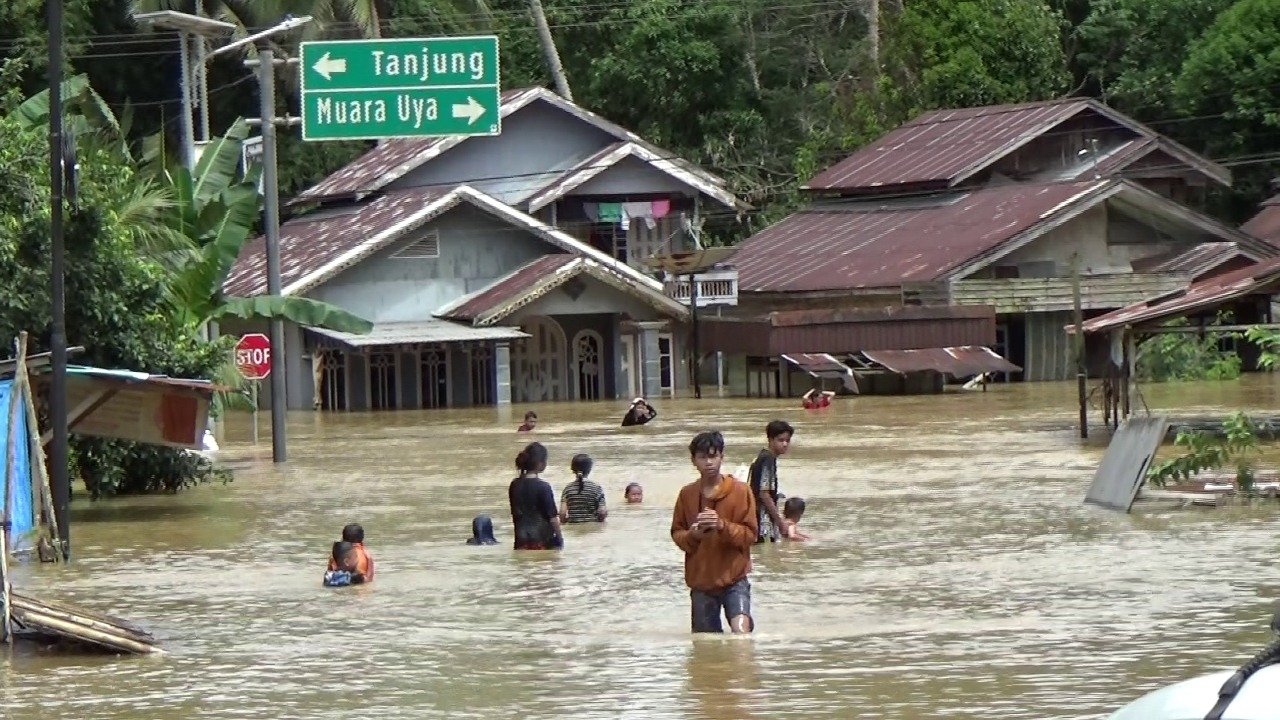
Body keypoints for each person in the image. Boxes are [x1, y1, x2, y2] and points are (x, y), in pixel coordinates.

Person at [670, 430, 758, 634]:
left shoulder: (741, 490)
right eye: (703, 457)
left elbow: (750, 536)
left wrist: (721, 525)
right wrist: (694, 535)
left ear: (721, 457)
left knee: (741, 631)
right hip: (701, 581)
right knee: (705, 642)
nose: (709, 463)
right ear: (694, 460)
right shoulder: (687, 494)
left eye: (713, 456)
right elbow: (677, 534)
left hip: (734, 578)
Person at [508, 442, 563, 550]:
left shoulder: (514, 485)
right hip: (542, 541)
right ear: (540, 463)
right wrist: (560, 539)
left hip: (520, 541)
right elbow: (552, 518)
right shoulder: (544, 487)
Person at [748, 420, 794, 543]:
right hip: (763, 522)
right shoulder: (768, 459)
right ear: (770, 439)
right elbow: (764, 494)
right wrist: (780, 522)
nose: (785, 444)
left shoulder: (762, 456)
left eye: (787, 440)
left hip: (755, 517)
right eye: (780, 440)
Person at [560, 454, 607, 523]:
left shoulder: (567, 489)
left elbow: (562, 513)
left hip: (573, 528)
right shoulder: (597, 488)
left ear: (573, 470)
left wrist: (565, 521)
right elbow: (602, 512)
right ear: (590, 469)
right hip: (592, 529)